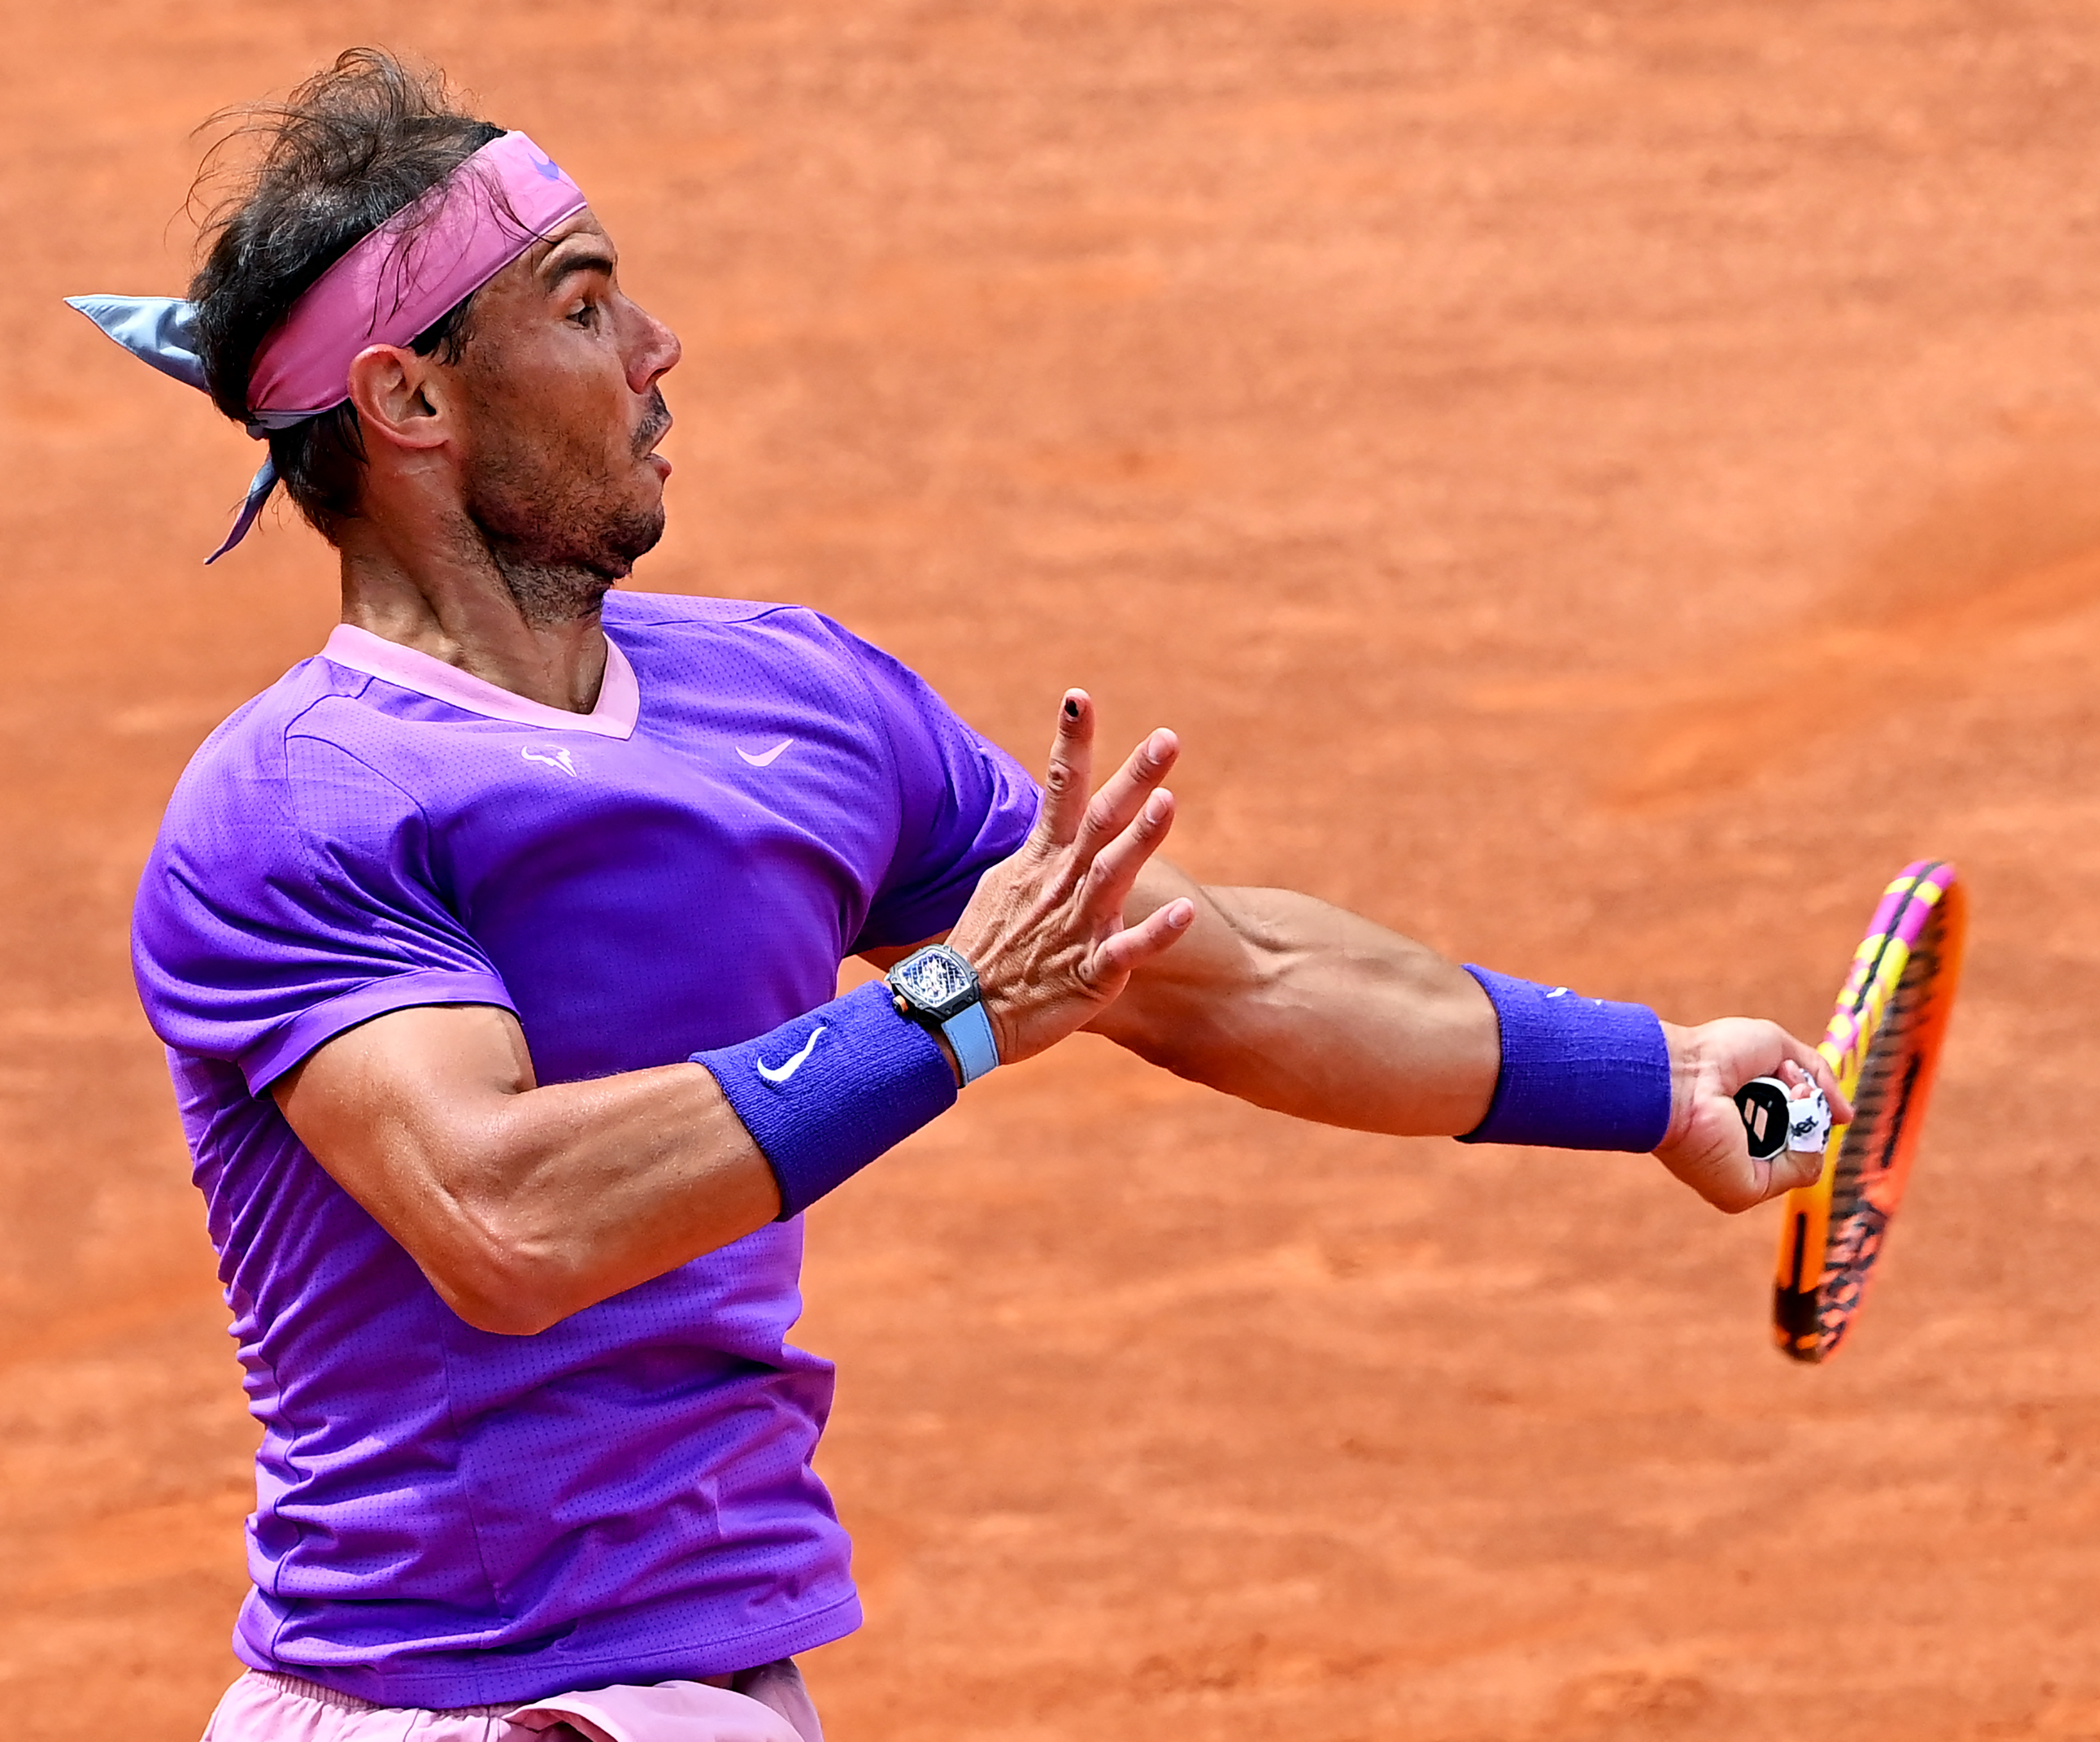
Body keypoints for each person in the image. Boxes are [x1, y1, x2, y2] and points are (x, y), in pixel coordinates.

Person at [77, 50, 1847, 1742]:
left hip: (711, 1678)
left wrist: (1651, 1078)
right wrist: (944, 1016)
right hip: (449, 1705)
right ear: (409, 400)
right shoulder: (298, 806)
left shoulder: (801, 706)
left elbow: (1220, 975)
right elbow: (507, 1221)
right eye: (584, 300)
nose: (658, 349)